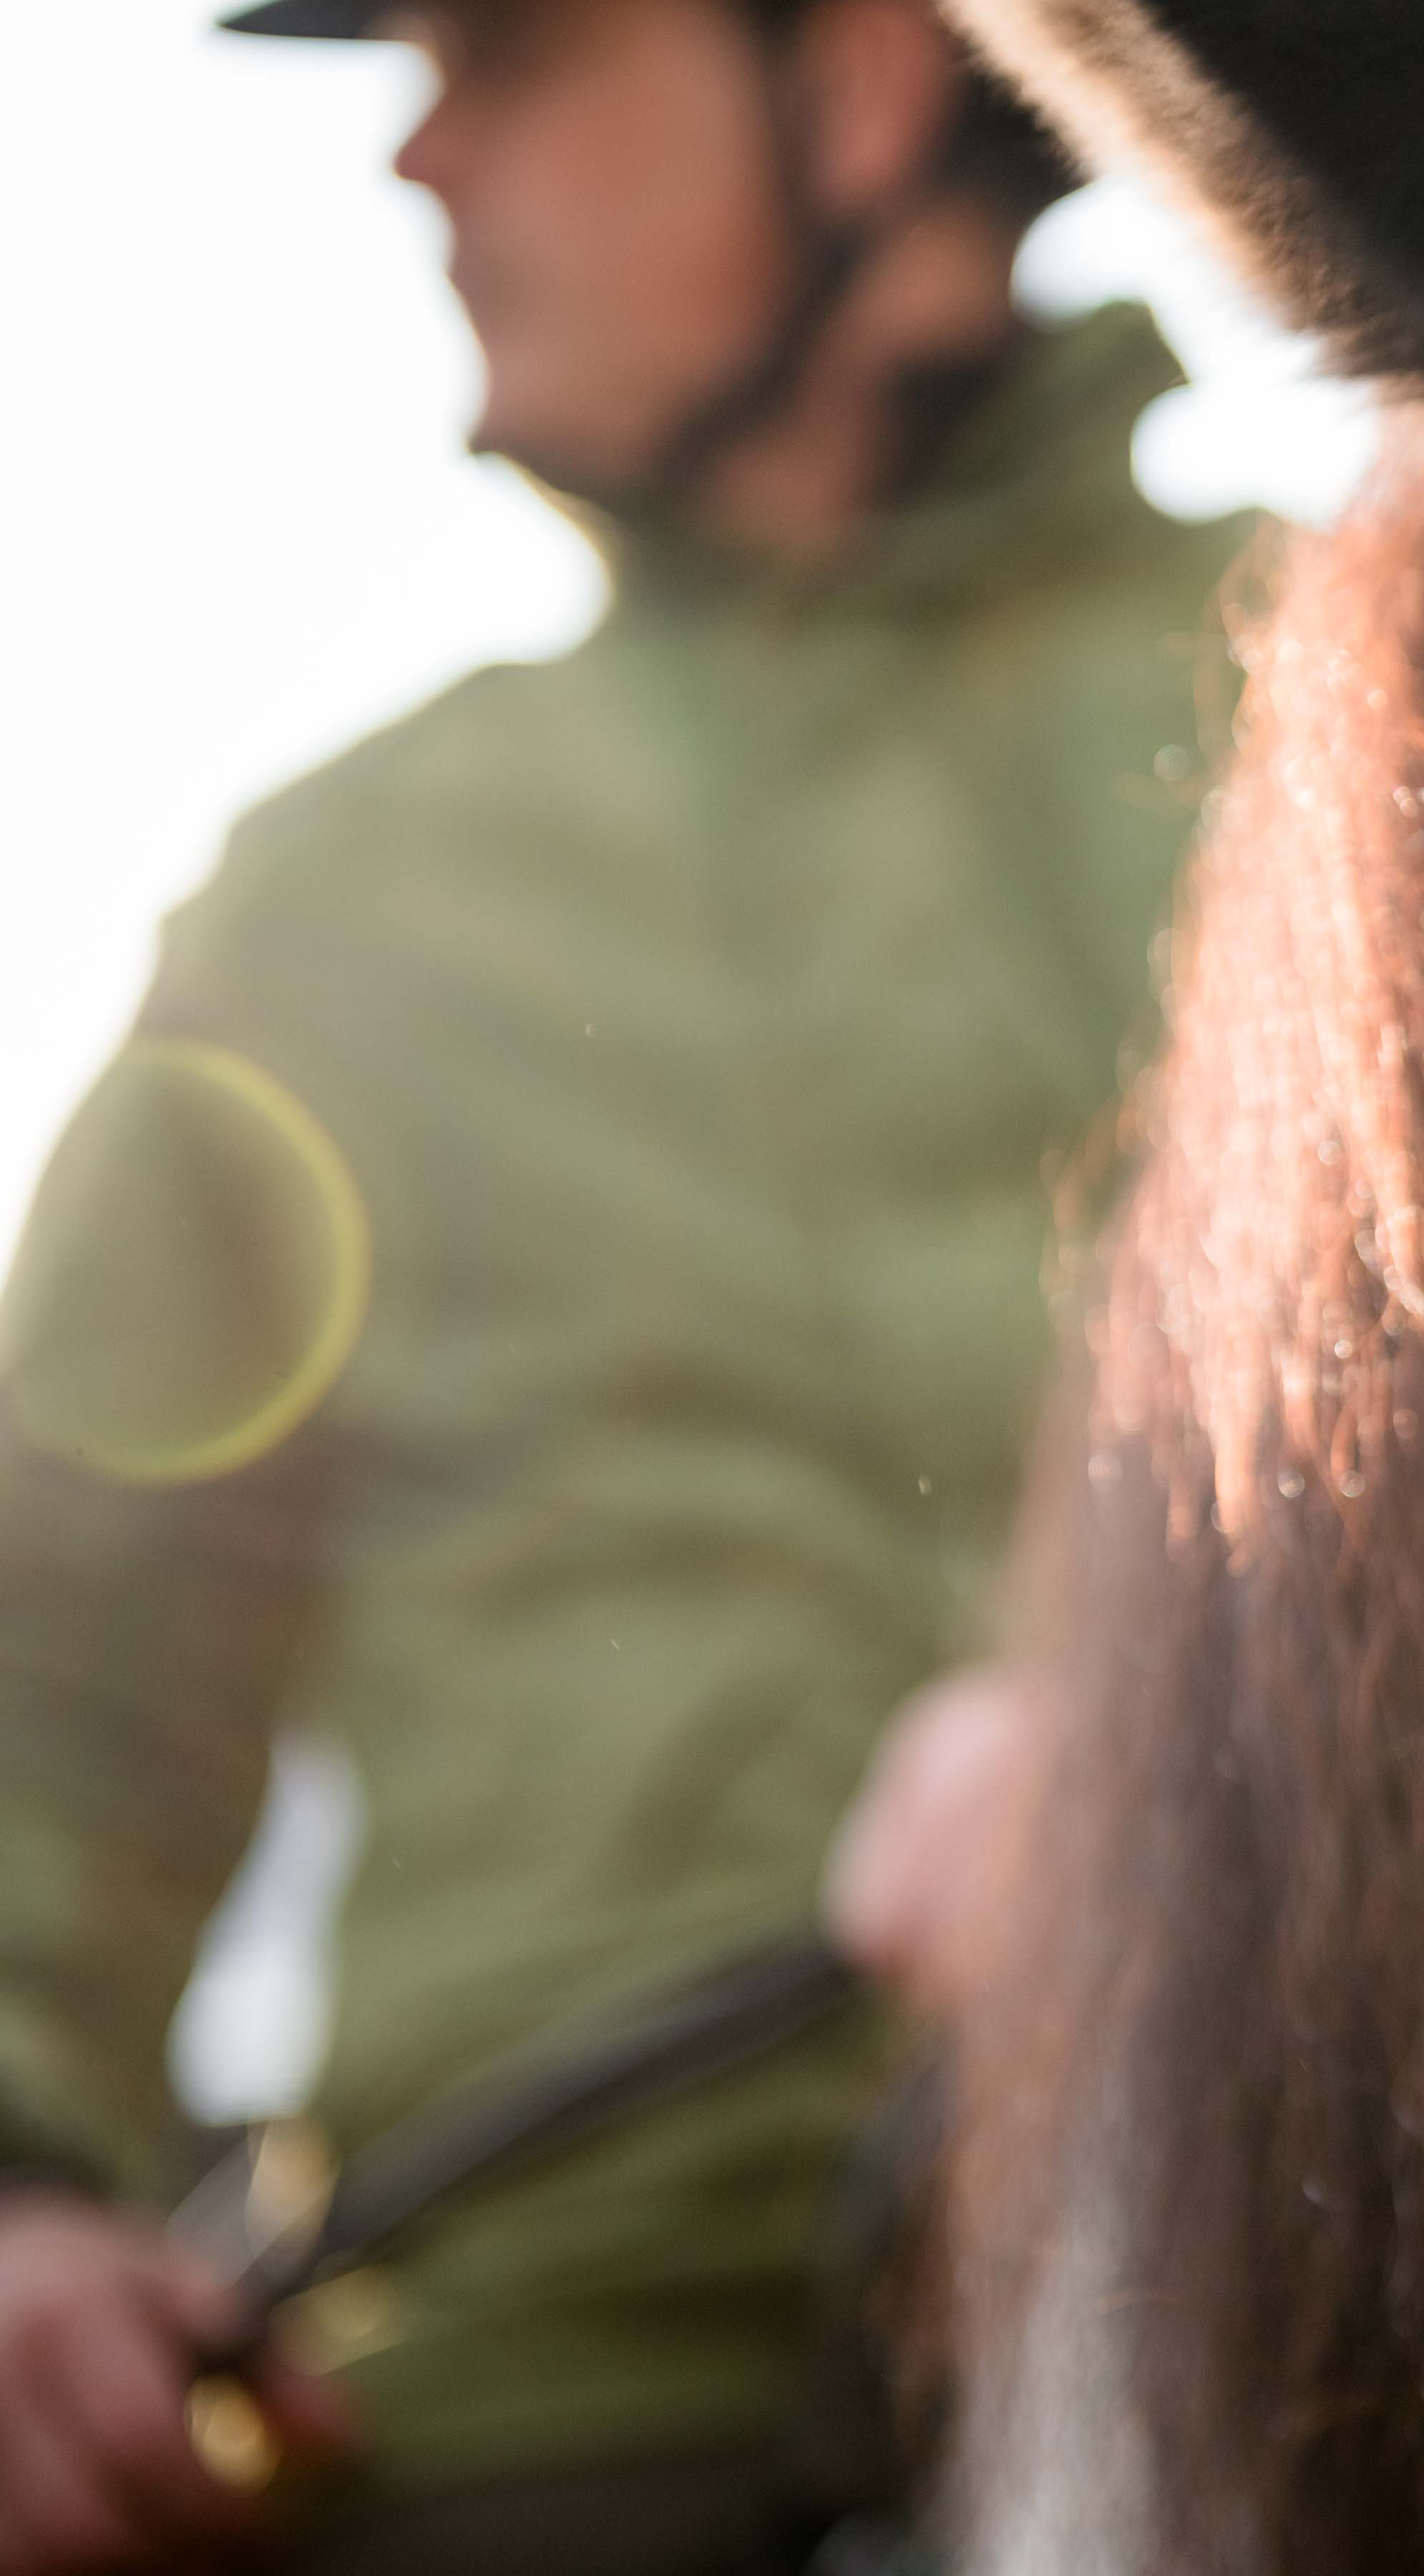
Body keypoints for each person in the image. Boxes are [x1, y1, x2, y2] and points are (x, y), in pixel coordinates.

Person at [0, 0, 1256, 2560]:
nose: (422, 152)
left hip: (1376, 2266)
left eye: (524, 50)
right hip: (550, 2386)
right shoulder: (335, 905)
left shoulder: (1409, 720)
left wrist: (1208, 1724)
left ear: (880, 74)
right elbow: (57, 1669)